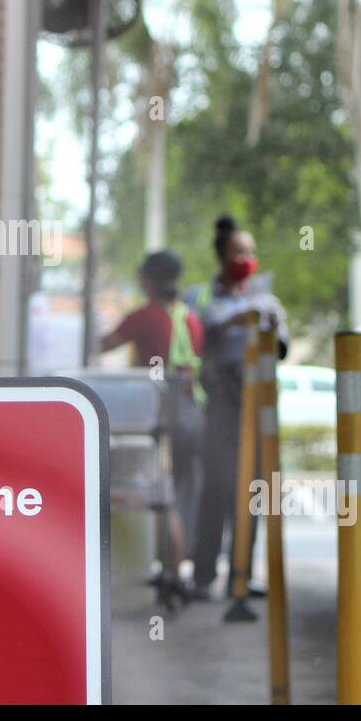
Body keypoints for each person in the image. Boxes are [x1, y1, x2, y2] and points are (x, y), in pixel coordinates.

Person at [185, 215, 288, 600]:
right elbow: (197, 332)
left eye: (251, 252)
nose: (246, 258)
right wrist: (235, 319)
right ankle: (203, 575)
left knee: (252, 490)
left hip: (257, 403)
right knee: (217, 487)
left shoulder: (267, 301)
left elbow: (281, 348)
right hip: (219, 403)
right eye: (238, 251)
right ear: (221, 255)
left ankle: (241, 576)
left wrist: (269, 324)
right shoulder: (201, 297)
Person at [100, 249, 205, 585]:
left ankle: (172, 574)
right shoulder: (189, 318)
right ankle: (178, 567)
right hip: (192, 413)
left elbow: (103, 344)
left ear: (148, 280)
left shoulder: (146, 316)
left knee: (162, 494)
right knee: (182, 492)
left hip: (162, 417)